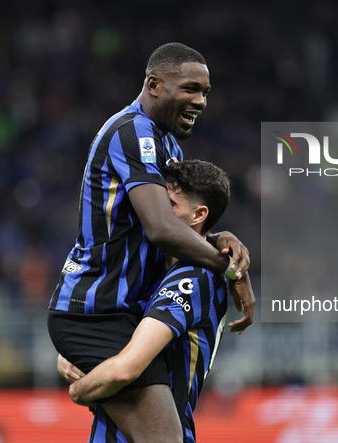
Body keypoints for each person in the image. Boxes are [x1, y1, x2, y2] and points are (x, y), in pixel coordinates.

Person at [48, 43, 255, 441]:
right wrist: (230, 268)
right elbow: (161, 228)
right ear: (155, 84)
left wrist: (219, 238)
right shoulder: (131, 131)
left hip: (120, 312)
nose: (201, 100)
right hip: (98, 311)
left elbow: (171, 228)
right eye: (191, 88)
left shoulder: (169, 145)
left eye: (206, 92)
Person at [61, 160, 250, 443]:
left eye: (170, 205)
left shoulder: (196, 278)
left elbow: (126, 368)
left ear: (199, 214)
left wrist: (80, 391)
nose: (155, 210)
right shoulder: (148, 259)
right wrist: (70, 353)